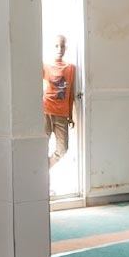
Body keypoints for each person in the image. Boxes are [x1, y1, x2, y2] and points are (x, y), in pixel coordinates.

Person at [42, 35, 77, 168]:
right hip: (46, 111)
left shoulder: (70, 68)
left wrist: (70, 115)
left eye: (62, 46)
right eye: (56, 46)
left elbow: (71, 93)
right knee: (41, 147)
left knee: (62, 149)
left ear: (65, 48)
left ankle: (45, 168)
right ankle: (40, 175)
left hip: (62, 115)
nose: (59, 49)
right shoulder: (46, 66)